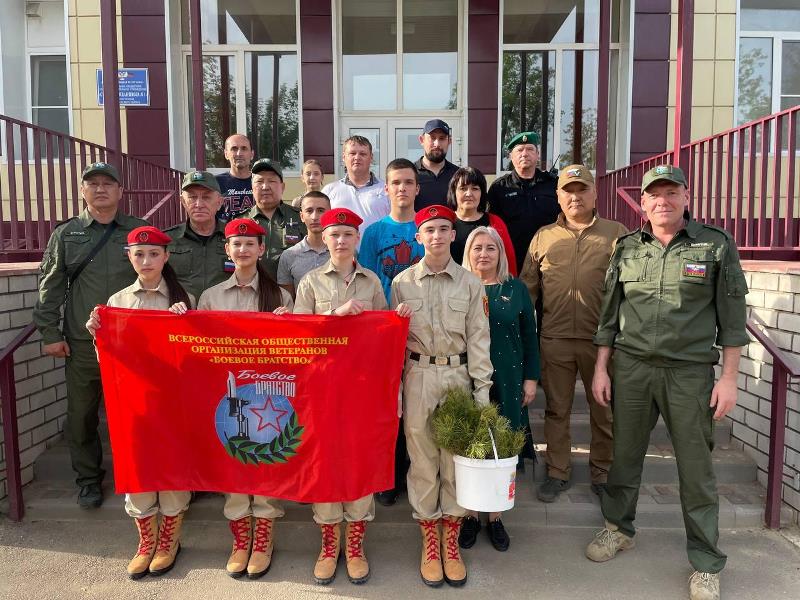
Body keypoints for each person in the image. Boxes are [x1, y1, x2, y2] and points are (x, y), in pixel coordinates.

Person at [586, 165, 749, 600]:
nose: (663, 201)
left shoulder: (714, 245)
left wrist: (729, 379)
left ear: (686, 196)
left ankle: (706, 562)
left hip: (689, 372)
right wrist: (602, 367)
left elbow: (733, 321)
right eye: (654, 195)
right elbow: (608, 314)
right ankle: (619, 529)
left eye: (671, 193)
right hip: (633, 368)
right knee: (624, 456)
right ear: (642, 202)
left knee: (696, 469)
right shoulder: (626, 248)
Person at [32, 161, 147, 509]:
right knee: (82, 415)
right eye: (92, 183)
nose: (100, 189)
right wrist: (50, 332)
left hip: (134, 343)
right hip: (84, 344)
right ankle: (88, 480)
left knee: (136, 413)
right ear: (83, 191)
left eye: (107, 184)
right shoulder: (66, 234)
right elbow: (50, 286)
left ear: (120, 192)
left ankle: (140, 475)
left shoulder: (137, 230)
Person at [390, 205, 493, 588]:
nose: (436, 236)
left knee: (454, 461)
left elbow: (480, 341)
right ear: (418, 237)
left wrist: (482, 393)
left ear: (454, 235)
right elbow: (394, 345)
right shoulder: (401, 283)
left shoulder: (470, 283)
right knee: (421, 461)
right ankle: (429, 541)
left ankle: (451, 540)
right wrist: (397, 390)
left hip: (456, 376)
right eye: (429, 230)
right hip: (417, 375)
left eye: (443, 229)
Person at [85, 226, 193, 579]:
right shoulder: (116, 303)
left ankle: (169, 541)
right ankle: (147, 541)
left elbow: (199, 358)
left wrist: (187, 324)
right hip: (134, 402)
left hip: (174, 402)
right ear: (129, 257)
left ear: (166, 257)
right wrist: (97, 335)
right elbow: (110, 361)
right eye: (139, 254)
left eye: (153, 254)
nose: (146, 261)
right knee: (139, 467)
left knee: (173, 468)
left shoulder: (184, 299)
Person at [520, 165, 628, 503]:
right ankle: (557, 472)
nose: (575, 196)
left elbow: (630, 289)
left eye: (582, 190)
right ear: (559, 196)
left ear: (595, 194)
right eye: (568, 190)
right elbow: (528, 291)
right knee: (557, 410)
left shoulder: (617, 234)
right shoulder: (543, 237)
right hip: (554, 339)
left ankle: (602, 473)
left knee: (603, 409)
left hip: (602, 343)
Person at [194, 218, 294, 580]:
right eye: (236, 244)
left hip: (268, 395)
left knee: (265, 458)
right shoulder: (212, 296)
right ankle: (240, 536)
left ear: (261, 249)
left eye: (250, 244)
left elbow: (295, 352)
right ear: (227, 250)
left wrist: (287, 325)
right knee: (234, 459)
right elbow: (198, 347)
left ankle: (264, 532)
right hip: (229, 394)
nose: (243, 250)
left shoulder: (279, 297)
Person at [294, 207, 388, 586]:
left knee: (359, 460)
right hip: (322, 389)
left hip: (362, 389)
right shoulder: (311, 283)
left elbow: (383, 335)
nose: (341, 241)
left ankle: (356, 544)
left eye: (348, 234)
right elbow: (299, 334)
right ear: (325, 238)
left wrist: (394, 318)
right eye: (335, 234)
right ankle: (329, 542)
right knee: (326, 462)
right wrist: (337, 313)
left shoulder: (373, 282)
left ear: (357, 240)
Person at [460, 226, 539, 552]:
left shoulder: (516, 288)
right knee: (467, 447)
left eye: (490, 248)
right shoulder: (460, 286)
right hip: (466, 377)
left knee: (501, 449)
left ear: (500, 253)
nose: (483, 254)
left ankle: (494, 517)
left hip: (507, 377)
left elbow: (530, 336)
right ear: (468, 252)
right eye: (477, 248)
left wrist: (531, 378)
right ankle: (466, 515)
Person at [359, 158, 424, 507]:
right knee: (388, 404)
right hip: (383, 329)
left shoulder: (427, 227)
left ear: (417, 187)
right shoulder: (374, 233)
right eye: (395, 182)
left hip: (421, 328)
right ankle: (389, 475)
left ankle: (417, 470)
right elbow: (366, 281)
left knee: (416, 401)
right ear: (386, 188)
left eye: (408, 182)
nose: (402, 188)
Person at [487, 131, 559, 274]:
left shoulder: (553, 184)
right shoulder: (499, 188)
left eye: (530, 149)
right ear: (510, 156)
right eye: (519, 150)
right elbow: (492, 227)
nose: (524, 154)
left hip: (549, 259)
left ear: (538, 155)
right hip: (512, 260)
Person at [165, 171, 229, 300]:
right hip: (182, 315)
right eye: (192, 197)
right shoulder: (167, 240)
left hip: (224, 315)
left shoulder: (234, 238)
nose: (199, 204)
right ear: (183, 201)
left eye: (206, 197)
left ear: (219, 202)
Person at [240, 158, 306, 281]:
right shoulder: (241, 221)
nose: (265, 186)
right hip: (251, 293)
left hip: (290, 292)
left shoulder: (300, 218)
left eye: (271, 181)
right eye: (259, 181)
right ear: (252, 187)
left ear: (283, 187)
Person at [446, 166, 517, 275]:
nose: (469, 194)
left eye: (475, 188)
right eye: (463, 188)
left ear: (482, 193)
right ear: (454, 192)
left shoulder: (495, 222)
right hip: (451, 288)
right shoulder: (445, 223)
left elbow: (508, 260)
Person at [322, 135, 390, 243]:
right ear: (344, 157)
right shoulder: (329, 191)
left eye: (362, 154)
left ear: (371, 157)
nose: (357, 157)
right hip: (341, 254)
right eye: (352, 153)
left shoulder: (386, 189)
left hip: (377, 256)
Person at [277, 191, 331, 298]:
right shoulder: (289, 255)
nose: (315, 216)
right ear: (301, 216)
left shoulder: (344, 252)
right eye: (309, 211)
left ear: (329, 213)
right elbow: (288, 300)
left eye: (320, 210)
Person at [414, 119, 459, 211]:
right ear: (421, 140)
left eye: (442, 138)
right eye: (432, 138)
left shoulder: (459, 175)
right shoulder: (410, 173)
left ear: (449, 141)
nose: (437, 144)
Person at [215, 134, 256, 221]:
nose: (239, 153)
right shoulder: (215, 183)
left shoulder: (261, 182)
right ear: (226, 154)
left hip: (257, 233)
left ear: (252, 154)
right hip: (224, 234)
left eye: (244, 148)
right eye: (234, 149)